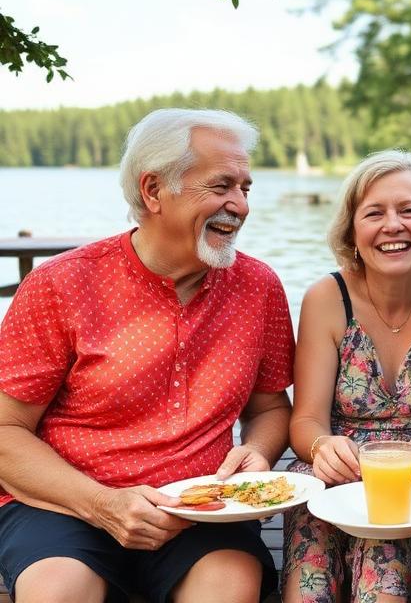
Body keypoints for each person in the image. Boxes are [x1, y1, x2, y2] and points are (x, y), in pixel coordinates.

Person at [0, 109, 295, 603]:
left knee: (229, 588)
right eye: (221, 186)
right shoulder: (61, 284)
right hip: (66, 502)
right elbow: (6, 431)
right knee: (59, 593)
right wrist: (102, 504)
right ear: (154, 190)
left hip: (201, 507)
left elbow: (269, 407)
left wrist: (260, 452)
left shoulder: (258, 286)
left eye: (246, 188)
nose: (239, 206)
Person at [281, 149, 411, 602]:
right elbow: (305, 420)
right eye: (374, 213)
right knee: (308, 582)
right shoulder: (326, 297)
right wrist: (321, 447)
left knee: (381, 569)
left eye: (408, 210)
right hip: (337, 472)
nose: (393, 225)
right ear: (352, 232)